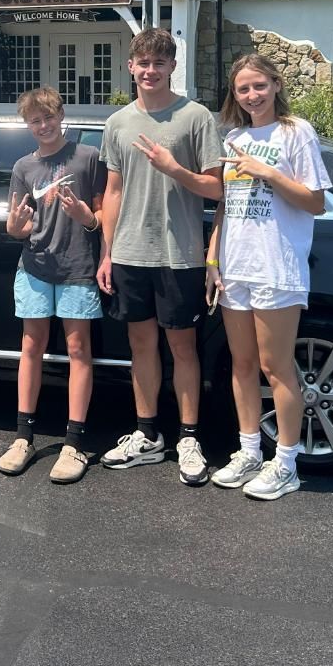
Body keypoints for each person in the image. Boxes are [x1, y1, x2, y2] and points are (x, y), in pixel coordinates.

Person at [96, 28, 223, 486]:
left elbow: (217, 187)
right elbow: (112, 191)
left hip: (180, 255)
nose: (150, 71)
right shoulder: (118, 123)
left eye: (159, 63)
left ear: (172, 67)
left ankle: (189, 437)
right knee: (141, 347)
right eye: (142, 63)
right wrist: (107, 252)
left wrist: (174, 169)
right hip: (130, 253)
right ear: (130, 66)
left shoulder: (196, 117)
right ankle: (147, 435)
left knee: (183, 348)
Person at [205, 53, 332, 501]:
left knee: (276, 367)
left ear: (276, 85)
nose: (252, 95)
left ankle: (286, 463)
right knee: (241, 365)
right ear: (234, 95)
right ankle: (249, 452)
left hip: (276, 267)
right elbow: (225, 205)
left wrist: (268, 172)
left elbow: (315, 202)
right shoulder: (235, 135)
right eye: (243, 89)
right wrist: (213, 260)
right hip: (237, 266)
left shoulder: (296, 132)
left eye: (259, 85)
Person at [0, 86, 106, 484]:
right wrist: (14, 228)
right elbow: (18, 225)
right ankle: (23, 437)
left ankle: (74, 442)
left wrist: (86, 216)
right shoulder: (23, 167)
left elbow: (102, 214)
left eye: (48, 117)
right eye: (34, 121)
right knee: (31, 346)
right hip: (35, 266)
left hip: (78, 266)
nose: (43, 126)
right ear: (27, 125)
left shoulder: (88, 157)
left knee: (79, 349)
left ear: (62, 116)